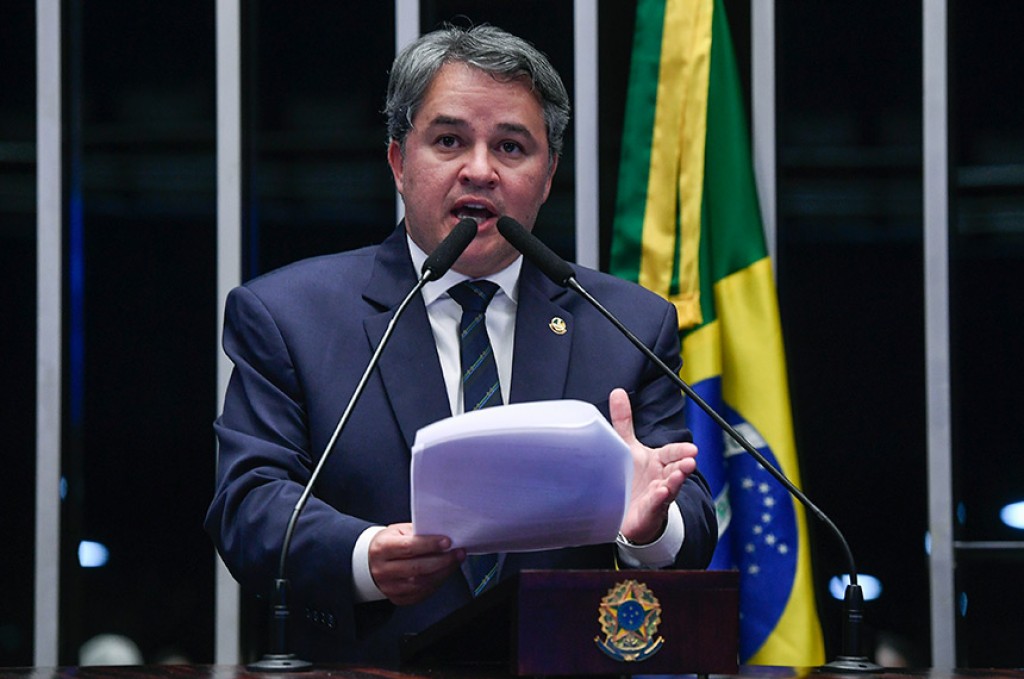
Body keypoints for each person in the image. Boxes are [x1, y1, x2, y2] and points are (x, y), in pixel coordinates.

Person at [206, 24, 717, 665]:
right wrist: (365, 556)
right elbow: (250, 504)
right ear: (399, 161)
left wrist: (650, 526)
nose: (479, 170)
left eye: (511, 146)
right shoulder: (290, 316)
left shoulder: (625, 324)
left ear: (548, 175)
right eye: (449, 141)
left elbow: (688, 516)